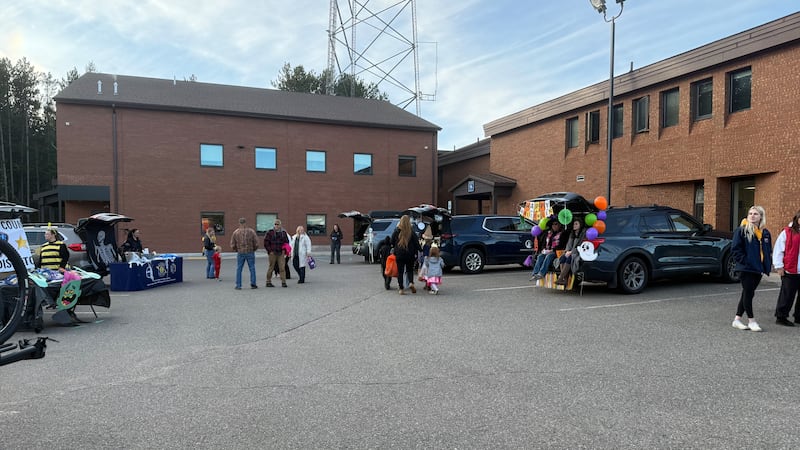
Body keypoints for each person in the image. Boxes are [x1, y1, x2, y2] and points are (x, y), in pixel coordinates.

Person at [731, 206, 772, 332]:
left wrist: (767, 265)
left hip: (758, 268)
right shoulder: (742, 230)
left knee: (747, 293)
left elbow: (767, 250)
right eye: (750, 213)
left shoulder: (765, 233)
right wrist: (746, 262)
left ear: (761, 217)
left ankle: (737, 320)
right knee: (748, 293)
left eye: (755, 214)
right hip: (746, 268)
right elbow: (735, 250)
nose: (752, 216)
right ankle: (751, 321)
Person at [772, 210, 800, 326]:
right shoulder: (787, 232)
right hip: (790, 270)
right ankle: (781, 316)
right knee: (787, 294)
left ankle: (798, 317)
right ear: (797, 218)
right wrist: (779, 266)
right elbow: (779, 249)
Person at [391, 215, 422, 295]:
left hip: (399, 254)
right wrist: (420, 250)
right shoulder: (411, 232)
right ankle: (411, 283)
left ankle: (401, 289)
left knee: (400, 272)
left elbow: (391, 241)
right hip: (410, 254)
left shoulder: (397, 231)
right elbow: (416, 243)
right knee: (409, 270)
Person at [230, 217, 259, 290]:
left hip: (240, 252)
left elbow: (232, 244)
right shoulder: (251, 231)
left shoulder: (236, 232)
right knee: (252, 268)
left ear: (239, 223)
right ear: (246, 223)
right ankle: (253, 283)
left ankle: (238, 285)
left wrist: (236, 249)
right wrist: (253, 249)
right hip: (250, 251)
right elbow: (256, 243)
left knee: (239, 268)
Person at [556, 219, 586, 285]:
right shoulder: (572, 234)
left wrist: (571, 252)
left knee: (570, 258)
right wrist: (567, 251)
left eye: (576, 224)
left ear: (580, 225)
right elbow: (569, 245)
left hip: (578, 253)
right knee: (562, 258)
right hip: (570, 252)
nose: (574, 225)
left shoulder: (583, 234)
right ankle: (565, 279)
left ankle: (561, 278)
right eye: (574, 224)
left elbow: (581, 246)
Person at [264, 219, 290, 288]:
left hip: (281, 253)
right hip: (272, 253)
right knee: (271, 267)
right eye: (275, 224)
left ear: (280, 225)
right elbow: (266, 242)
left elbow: (286, 242)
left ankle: (283, 282)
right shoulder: (270, 232)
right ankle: (268, 282)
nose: (276, 225)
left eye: (277, 224)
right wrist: (270, 251)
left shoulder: (283, 233)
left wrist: (284, 250)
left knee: (282, 268)